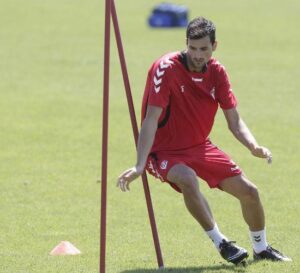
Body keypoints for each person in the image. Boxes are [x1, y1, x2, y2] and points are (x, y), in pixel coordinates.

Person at [117, 17, 291, 264]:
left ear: (214, 46)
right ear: (186, 43)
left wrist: (254, 145)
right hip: (163, 151)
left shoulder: (218, 72)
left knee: (250, 192)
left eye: (204, 49)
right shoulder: (165, 69)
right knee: (187, 178)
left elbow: (234, 121)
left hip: (199, 146)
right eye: (193, 48)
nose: (198, 55)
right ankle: (221, 242)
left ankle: (261, 248)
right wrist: (139, 164)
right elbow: (150, 119)